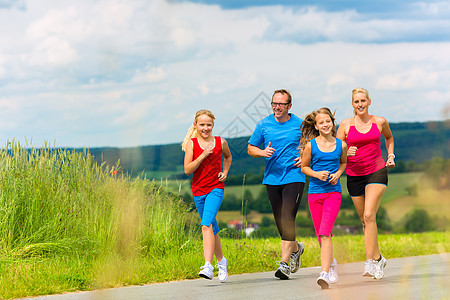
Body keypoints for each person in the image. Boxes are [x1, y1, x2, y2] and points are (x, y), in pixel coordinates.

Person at [336, 87, 395, 280]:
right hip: (354, 176)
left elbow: (389, 137)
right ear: (352, 104)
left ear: (369, 101)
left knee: (369, 215)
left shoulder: (380, 121)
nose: (360, 104)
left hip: (377, 171)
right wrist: (346, 152)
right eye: (356, 102)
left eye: (363, 101)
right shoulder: (345, 125)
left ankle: (370, 262)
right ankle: (378, 258)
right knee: (364, 221)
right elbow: (336, 150)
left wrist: (391, 155)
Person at [247, 89, 306, 280]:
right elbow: (250, 148)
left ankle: (284, 263)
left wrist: (305, 157)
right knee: (280, 220)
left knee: (287, 216)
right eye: (274, 103)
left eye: (281, 104)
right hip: (272, 178)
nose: (277, 107)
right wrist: (262, 152)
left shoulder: (300, 124)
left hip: (294, 176)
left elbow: (315, 144)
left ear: (289, 105)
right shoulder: (264, 124)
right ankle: (296, 248)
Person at [182, 109, 232, 282]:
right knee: (212, 227)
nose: (205, 128)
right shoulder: (192, 144)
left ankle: (208, 266)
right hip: (198, 191)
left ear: (213, 125)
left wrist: (224, 172)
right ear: (196, 125)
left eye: (208, 125)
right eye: (202, 125)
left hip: (216, 188)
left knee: (205, 225)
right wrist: (203, 155)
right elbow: (187, 170)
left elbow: (228, 157)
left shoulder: (220, 142)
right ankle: (222, 262)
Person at [299, 107, 347, 289]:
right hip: (315, 193)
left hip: (333, 193)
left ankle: (324, 273)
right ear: (317, 126)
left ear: (332, 123)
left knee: (325, 232)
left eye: (328, 121)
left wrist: (339, 173)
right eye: (321, 122)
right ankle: (332, 262)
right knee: (321, 235)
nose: (326, 124)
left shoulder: (341, 144)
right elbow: (304, 167)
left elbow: (343, 162)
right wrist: (317, 174)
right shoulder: (311, 145)